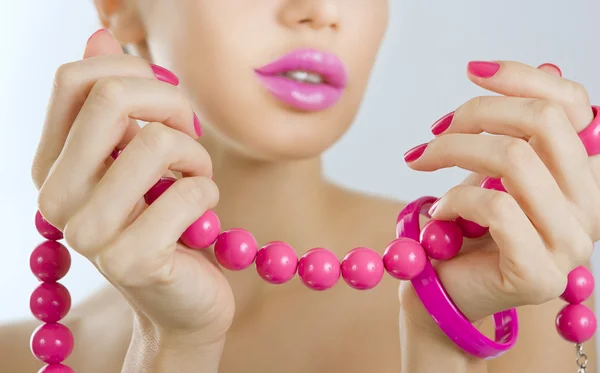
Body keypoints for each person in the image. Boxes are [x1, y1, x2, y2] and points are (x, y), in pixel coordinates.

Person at [3, 1, 598, 372]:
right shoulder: (20, 355)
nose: (318, 10)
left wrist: (444, 343)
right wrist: (173, 345)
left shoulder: (508, 299)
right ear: (121, 7)